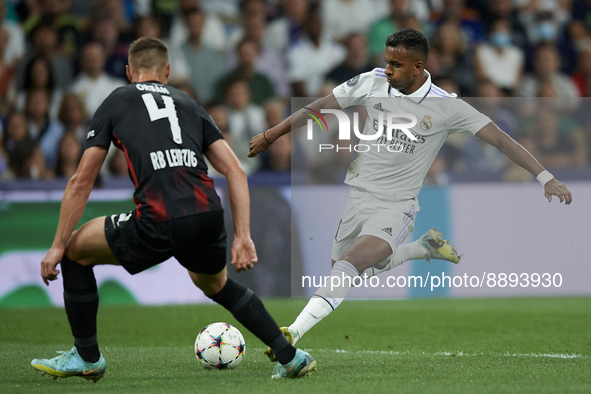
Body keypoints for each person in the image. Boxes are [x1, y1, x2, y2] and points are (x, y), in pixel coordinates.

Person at [248, 28, 572, 361]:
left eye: (396, 65)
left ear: (418, 68)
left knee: (348, 265)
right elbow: (320, 107)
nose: (387, 70)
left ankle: (290, 334)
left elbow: (501, 139)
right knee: (343, 274)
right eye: (387, 62)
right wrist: (272, 135)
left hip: (397, 206)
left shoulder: (446, 107)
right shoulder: (372, 81)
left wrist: (545, 177)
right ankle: (421, 248)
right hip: (359, 196)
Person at [30, 36, 316, 381]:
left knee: (75, 251)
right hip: (208, 215)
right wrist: (242, 236)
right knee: (216, 285)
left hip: (159, 217)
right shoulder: (189, 103)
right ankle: (290, 357)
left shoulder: (118, 99)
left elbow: (81, 180)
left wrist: (57, 244)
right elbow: (236, 171)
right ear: (167, 71)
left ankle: (87, 357)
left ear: (128, 72)